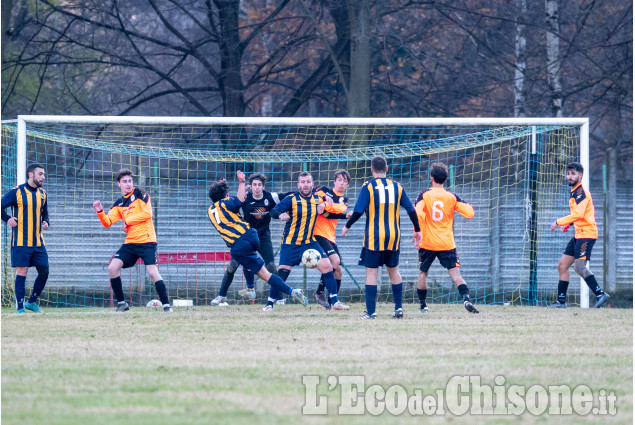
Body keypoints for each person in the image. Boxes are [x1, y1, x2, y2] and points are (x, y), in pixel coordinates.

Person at [207, 171, 307, 309]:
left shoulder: (211, 210)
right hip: (249, 235)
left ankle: (251, 289)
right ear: (225, 195)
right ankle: (291, 292)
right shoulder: (229, 202)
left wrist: (239, 183)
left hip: (244, 241)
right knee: (261, 272)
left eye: (260, 185)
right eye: (254, 184)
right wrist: (234, 186)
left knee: (264, 267)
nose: (257, 187)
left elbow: (237, 201)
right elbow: (238, 200)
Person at [342, 156, 421, 320]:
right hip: (393, 235)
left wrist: (347, 225)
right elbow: (411, 210)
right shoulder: (398, 187)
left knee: (371, 273)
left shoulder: (368, 186)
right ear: (386, 169)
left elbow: (358, 211)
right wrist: (417, 230)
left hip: (374, 236)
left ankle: (371, 313)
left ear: (371, 170)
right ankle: (398, 308)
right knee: (393, 270)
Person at [93, 169, 172, 312]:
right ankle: (122, 304)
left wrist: (127, 221)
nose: (128, 184)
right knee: (112, 268)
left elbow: (147, 214)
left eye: (130, 181)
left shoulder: (140, 194)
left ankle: (166, 305)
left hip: (147, 239)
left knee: (152, 271)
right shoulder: (119, 203)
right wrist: (100, 212)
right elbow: (107, 222)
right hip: (130, 242)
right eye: (124, 182)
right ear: (119, 184)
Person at [269, 172, 349, 311]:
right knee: (282, 274)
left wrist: (327, 205)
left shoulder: (317, 199)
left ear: (312, 184)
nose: (306, 184)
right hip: (290, 243)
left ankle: (334, 302)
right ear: (298, 185)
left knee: (329, 268)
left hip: (309, 242)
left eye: (308, 182)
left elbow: (328, 212)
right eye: (303, 182)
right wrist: (280, 215)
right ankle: (269, 304)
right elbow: (274, 211)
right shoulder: (291, 199)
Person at [413, 163, 478, 314]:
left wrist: (417, 232)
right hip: (446, 243)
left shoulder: (424, 195)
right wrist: (459, 203)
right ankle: (466, 298)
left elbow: (418, 214)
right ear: (445, 179)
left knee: (423, 273)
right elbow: (470, 213)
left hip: (428, 242)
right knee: (456, 275)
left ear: (431, 178)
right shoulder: (451, 197)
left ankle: (423, 306)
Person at [549, 162, 609, 308]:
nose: (569, 176)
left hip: (587, 235)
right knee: (562, 265)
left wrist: (558, 222)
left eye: (573, 173)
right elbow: (579, 215)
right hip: (579, 234)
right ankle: (561, 302)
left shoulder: (581, 191)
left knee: (579, 267)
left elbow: (578, 214)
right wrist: (569, 224)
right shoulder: (574, 191)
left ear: (580, 175)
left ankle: (600, 294)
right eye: (568, 173)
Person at [1, 163, 50, 313]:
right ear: (31, 175)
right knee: (22, 272)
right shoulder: (17, 192)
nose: (43, 177)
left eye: (43, 174)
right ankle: (20, 309)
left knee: (44, 271)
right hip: (21, 242)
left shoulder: (43, 193)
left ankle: (32, 302)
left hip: (38, 242)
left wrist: (46, 221)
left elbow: (45, 213)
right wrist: (7, 218)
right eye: (40, 174)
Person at [312, 169, 353, 309]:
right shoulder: (322, 190)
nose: (341, 183)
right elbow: (314, 200)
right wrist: (322, 202)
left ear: (347, 185)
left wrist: (325, 205)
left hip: (331, 236)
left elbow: (337, 209)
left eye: (345, 181)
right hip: (317, 233)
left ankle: (330, 300)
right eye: (339, 180)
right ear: (334, 181)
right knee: (334, 261)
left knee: (338, 270)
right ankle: (322, 293)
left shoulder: (344, 200)